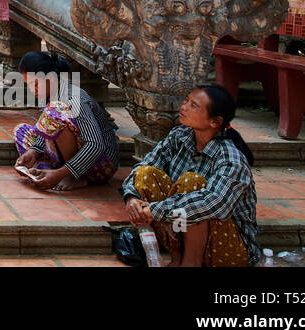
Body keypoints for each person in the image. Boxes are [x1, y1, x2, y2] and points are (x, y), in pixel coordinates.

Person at [121, 85, 259, 267]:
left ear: (214, 122)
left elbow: (214, 204)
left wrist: (153, 211)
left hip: (226, 248)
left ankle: (190, 262)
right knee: (145, 174)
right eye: (186, 100)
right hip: (178, 228)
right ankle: (177, 256)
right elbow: (145, 165)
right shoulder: (179, 136)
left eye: (193, 105)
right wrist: (132, 198)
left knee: (192, 183)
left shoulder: (231, 158)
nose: (184, 107)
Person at [13, 52, 120, 191]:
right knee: (21, 131)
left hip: (100, 164)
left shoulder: (74, 98)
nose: (33, 89)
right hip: (68, 156)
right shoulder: (46, 96)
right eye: (29, 84)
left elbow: (95, 145)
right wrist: (33, 152)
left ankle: (71, 175)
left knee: (55, 112)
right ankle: (48, 170)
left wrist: (60, 174)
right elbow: (45, 132)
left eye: (35, 83)